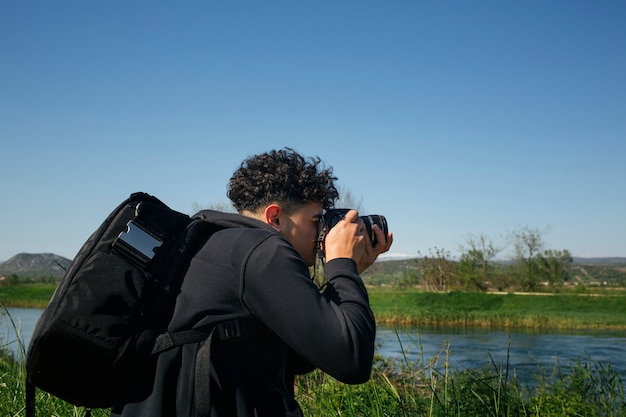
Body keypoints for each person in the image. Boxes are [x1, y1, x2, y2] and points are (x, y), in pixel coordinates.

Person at [111, 148, 393, 417]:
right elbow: (351, 360)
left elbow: (305, 353)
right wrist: (343, 267)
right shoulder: (263, 251)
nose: (321, 232)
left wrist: (348, 272)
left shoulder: (212, 242)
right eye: (315, 220)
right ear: (275, 217)